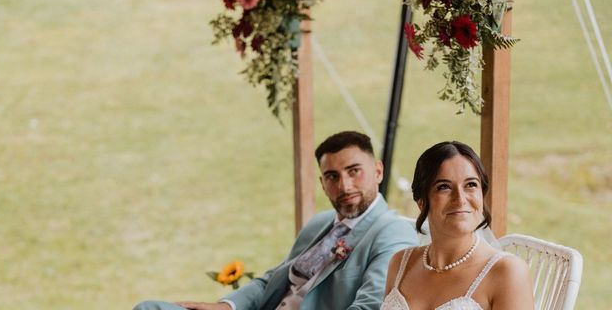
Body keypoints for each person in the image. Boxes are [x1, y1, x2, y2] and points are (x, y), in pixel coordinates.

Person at [134, 130, 418, 310]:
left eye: (354, 171)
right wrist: (227, 306)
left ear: (378, 172)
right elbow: (273, 280)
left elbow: (370, 307)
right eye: (332, 177)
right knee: (149, 309)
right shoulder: (319, 224)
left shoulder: (392, 232)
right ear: (322, 184)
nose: (344, 186)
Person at [381, 141, 534, 310]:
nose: (460, 199)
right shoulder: (400, 263)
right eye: (444, 187)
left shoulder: (508, 272)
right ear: (422, 202)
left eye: (471, 185)